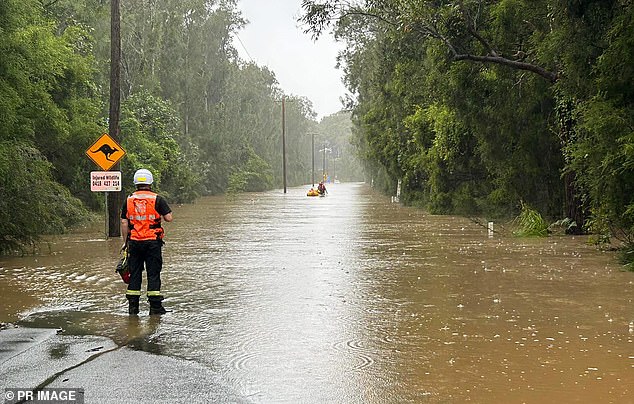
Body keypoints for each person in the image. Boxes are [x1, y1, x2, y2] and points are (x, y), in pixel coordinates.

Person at [120, 168, 173, 315]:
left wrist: (125, 243)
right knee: (153, 273)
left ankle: (133, 308)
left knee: (135, 273)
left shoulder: (128, 200)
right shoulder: (157, 199)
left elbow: (124, 223)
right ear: (150, 182)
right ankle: (155, 308)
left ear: (135, 183)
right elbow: (169, 218)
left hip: (135, 242)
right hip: (152, 242)